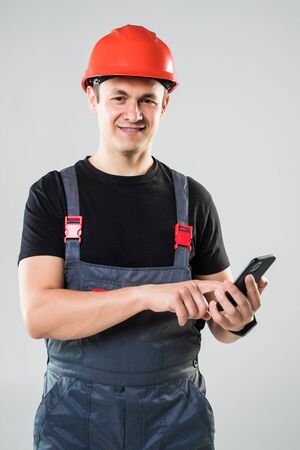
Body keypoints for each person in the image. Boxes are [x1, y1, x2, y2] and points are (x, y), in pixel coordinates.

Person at [18, 24, 268, 450]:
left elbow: (220, 323)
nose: (133, 114)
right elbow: (39, 316)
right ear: (92, 97)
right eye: (119, 97)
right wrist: (146, 295)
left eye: (147, 99)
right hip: (75, 416)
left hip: (175, 417)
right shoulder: (53, 195)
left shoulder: (193, 201)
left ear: (165, 104)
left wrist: (238, 319)